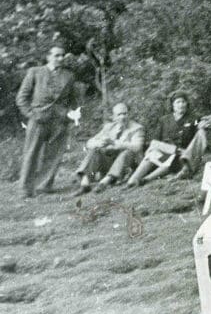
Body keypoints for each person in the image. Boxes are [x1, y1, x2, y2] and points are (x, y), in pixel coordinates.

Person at [15, 42, 79, 198]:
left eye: (62, 55)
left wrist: (71, 114)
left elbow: (73, 100)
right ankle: (25, 188)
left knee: (54, 155)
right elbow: (21, 98)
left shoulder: (69, 76)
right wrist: (31, 114)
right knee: (31, 153)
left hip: (59, 121)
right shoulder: (35, 72)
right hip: (38, 119)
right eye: (56, 55)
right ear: (49, 56)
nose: (60, 58)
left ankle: (44, 186)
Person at [125, 90, 197, 187]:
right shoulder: (164, 120)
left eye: (183, 102)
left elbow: (196, 140)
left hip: (180, 155)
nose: (181, 105)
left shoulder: (193, 119)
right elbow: (155, 139)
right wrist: (152, 149)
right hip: (164, 152)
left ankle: (145, 180)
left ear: (187, 103)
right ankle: (132, 180)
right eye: (178, 102)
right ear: (172, 105)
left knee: (168, 158)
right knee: (153, 154)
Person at [74, 102, 145, 194]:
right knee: (95, 150)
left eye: (125, 113)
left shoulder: (137, 128)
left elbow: (137, 147)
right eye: (119, 114)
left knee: (127, 152)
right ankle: (85, 184)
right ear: (114, 117)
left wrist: (114, 143)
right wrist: (99, 143)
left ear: (129, 114)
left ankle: (104, 183)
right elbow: (89, 142)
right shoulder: (109, 127)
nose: (122, 117)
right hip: (110, 162)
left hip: (126, 165)